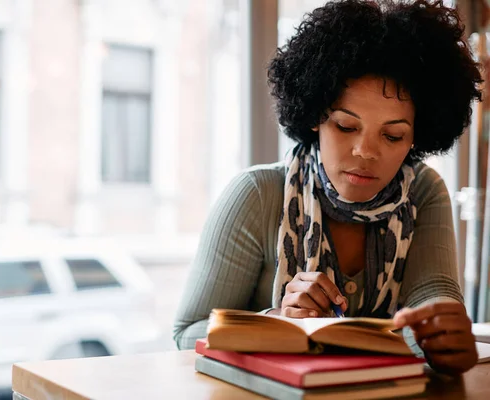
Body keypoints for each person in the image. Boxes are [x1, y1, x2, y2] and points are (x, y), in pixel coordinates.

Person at [173, 0, 483, 375]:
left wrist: (444, 334)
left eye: (393, 135)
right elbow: (187, 334)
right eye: (345, 126)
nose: (366, 151)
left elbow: (433, 298)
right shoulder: (256, 194)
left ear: (417, 137)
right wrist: (277, 320)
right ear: (315, 118)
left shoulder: (423, 191)